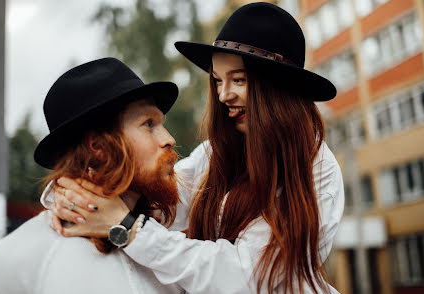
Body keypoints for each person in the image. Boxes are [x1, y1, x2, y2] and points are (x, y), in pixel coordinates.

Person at [47, 3, 344, 294]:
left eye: (237, 80)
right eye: (217, 80)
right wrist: (75, 195)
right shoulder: (214, 155)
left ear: (276, 88)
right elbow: (158, 199)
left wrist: (128, 228)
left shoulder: (318, 172)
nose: (223, 94)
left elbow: (247, 277)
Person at [0, 57, 184, 294]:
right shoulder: (20, 259)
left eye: (162, 123)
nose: (169, 139)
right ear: (98, 146)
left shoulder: (167, 256)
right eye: (149, 124)